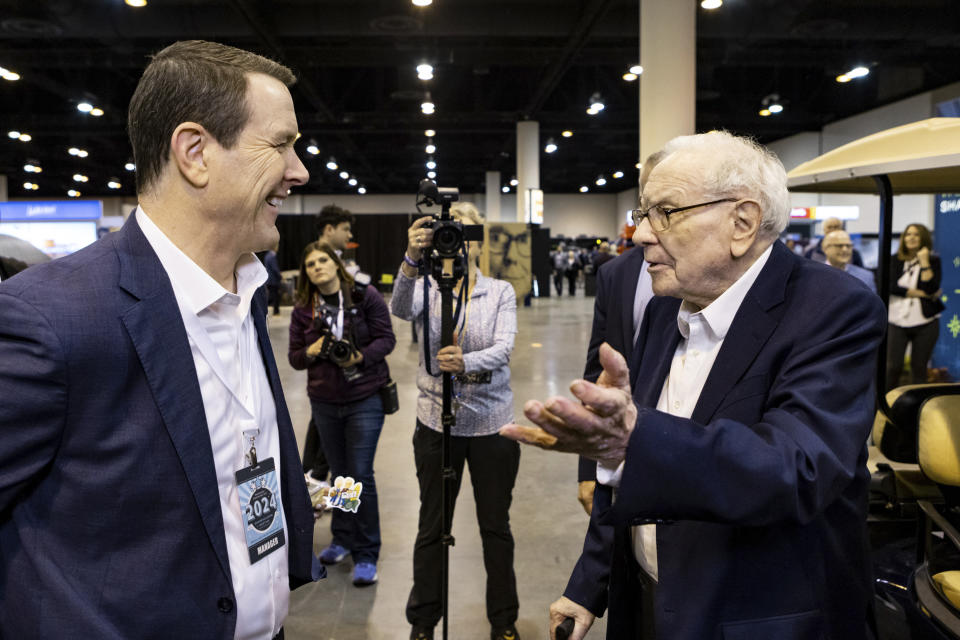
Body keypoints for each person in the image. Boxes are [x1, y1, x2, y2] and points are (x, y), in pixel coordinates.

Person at [501, 130, 886, 640]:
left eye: (666, 211)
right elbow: (627, 474)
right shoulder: (666, 309)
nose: (640, 234)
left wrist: (632, 439)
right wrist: (589, 582)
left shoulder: (832, 309)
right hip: (648, 606)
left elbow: (798, 468)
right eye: (644, 213)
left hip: (755, 621)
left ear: (742, 224)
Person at [0, 40, 320, 638]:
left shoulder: (244, 295)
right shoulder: (50, 320)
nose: (299, 170)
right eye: (281, 144)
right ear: (195, 152)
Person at [390, 203, 521, 640]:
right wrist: (410, 258)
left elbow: (504, 348)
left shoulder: (499, 291)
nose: (453, 237)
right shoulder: (426, 287)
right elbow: (401, 310)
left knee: (495, 528)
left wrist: (465, 361)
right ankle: (423, 623)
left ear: (476, 236)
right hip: (435, 423)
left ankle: (503, 622)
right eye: (446, 229)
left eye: (461, 228)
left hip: (492, 425)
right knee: (432, 527)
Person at [287, 241, 396, 586]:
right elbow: (294, 357)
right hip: (325, 401)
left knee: (360, 473)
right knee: (340, 474)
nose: (317, 267)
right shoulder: (304, 309)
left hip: (365, 397)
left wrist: (359, 357)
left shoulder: (365, 297)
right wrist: (312, 350)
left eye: (323, 260)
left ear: (336, 264)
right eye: (310, 264)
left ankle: (367, 552)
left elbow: (387, 338)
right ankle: (343, 538)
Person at [886, 222, 943, 390]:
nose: (911, 238)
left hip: (926, 321)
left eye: (916, 234)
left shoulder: (933, 260)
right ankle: (885, 409)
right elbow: (889, 285)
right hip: (896, 320)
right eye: (908, 234)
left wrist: (924, 262)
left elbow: (931, 288)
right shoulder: (894, 260)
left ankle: (916, 411)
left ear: (923, 238)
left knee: (919, 369)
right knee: (892, 367)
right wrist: (915, 292)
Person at [264, 239, 283, 315]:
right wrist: (280, 276)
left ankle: (275, 311)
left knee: (272, 296)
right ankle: (276, 312)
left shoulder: (267, 255)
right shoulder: (272, 256)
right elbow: (275, 268)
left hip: (269, 280)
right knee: (275, 297)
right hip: (273, 280)